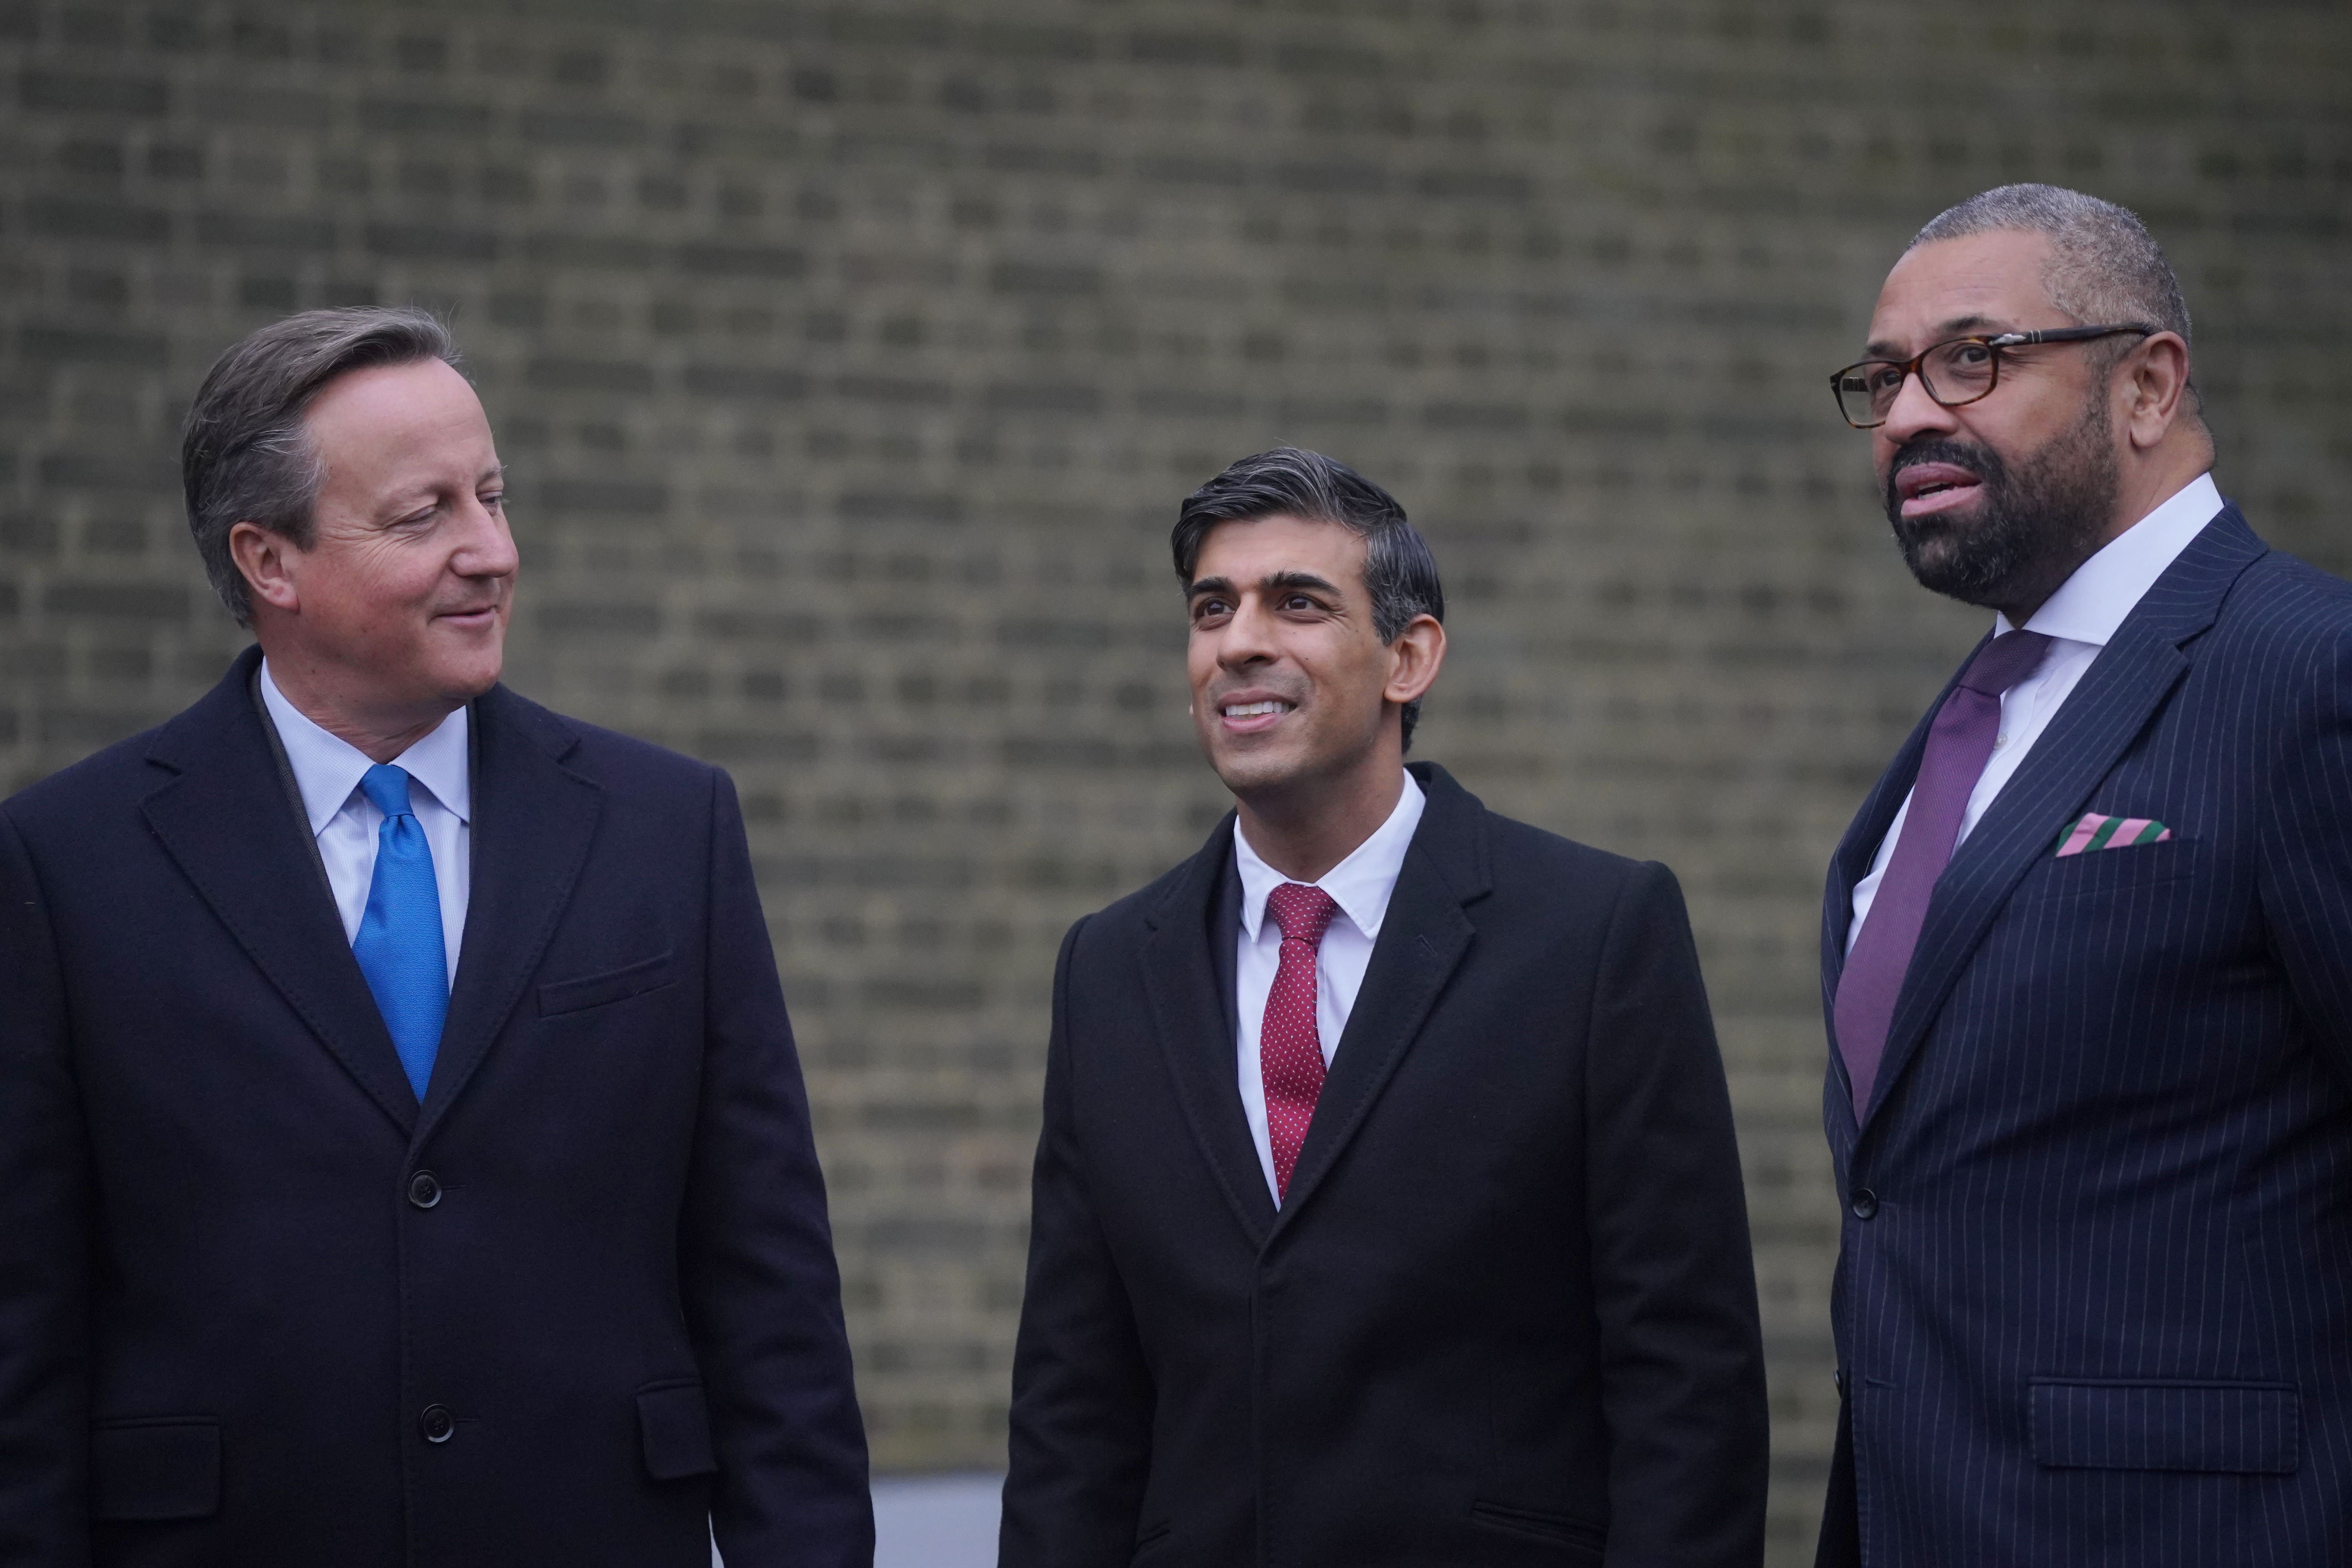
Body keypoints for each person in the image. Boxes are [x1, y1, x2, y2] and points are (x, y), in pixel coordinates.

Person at [0, 309, 871, 1566]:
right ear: (269, 561)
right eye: (425, 517)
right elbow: (26, 1342)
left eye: (494, 497)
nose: (492, 553)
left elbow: (771, 1300)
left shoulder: (667, 832)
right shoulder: (66, 863)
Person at [998, 446, 1768, 1568]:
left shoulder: (1596, 933)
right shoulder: (1111, 968)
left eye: (1297, 604)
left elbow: (1687, 1382)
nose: (1239, 642)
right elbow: (1074, 1403)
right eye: (1213, 609)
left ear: (1410, 657)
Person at [1816, 184, 2352, 1566]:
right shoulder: (1967, 726)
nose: (1910, 416)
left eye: (1973, 359)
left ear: (2148, 385)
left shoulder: (2307, 677)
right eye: (1883, 380)